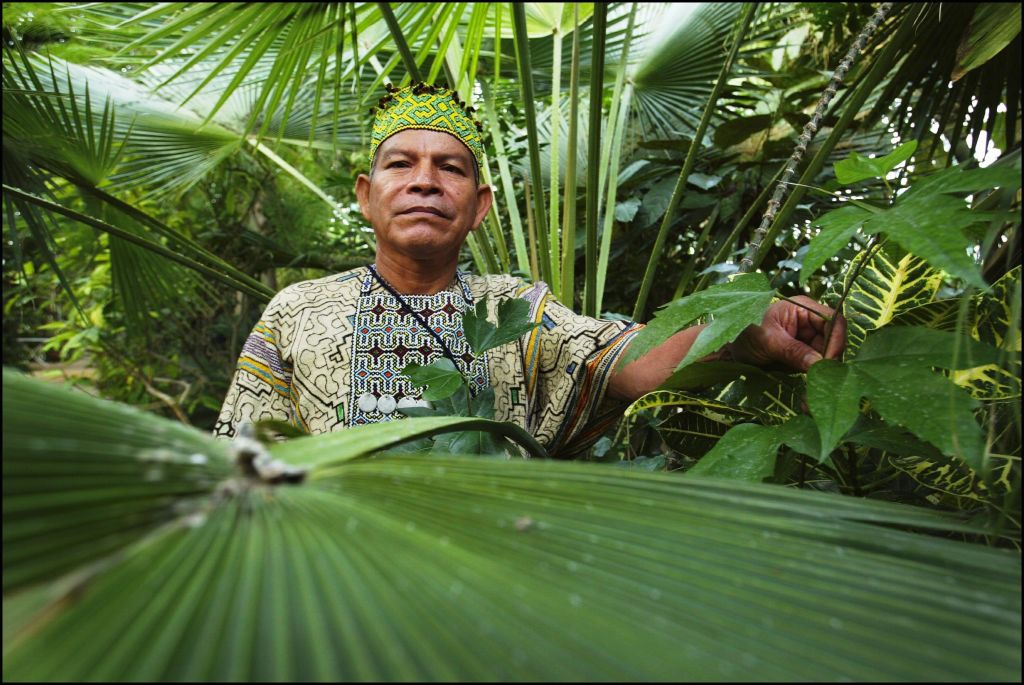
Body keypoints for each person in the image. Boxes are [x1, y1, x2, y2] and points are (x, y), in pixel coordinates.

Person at [215, 83, 844, 457]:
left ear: (480, 205)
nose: (425, 182)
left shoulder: (517, 310)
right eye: (401, 164)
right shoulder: (297, 309)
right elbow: (240, 456)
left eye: (451, 168)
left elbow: (629, 363)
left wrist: (750, 327)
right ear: (365, 193)